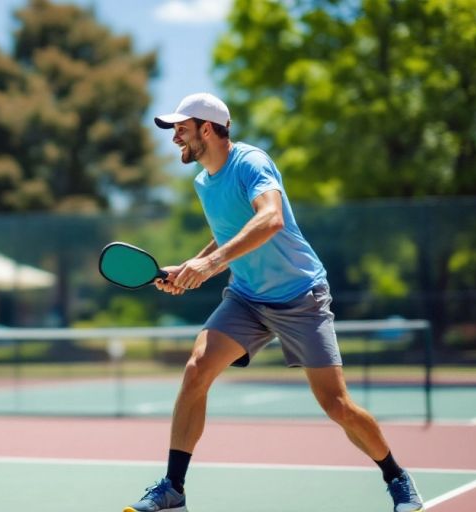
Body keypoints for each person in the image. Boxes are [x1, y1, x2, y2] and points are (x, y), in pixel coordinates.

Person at [122, 93, 424, 512]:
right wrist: (193, 264)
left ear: (206, 129)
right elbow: (232, 231)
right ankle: (173, 487)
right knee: (196, 370)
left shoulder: (250, 163)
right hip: (246, 298)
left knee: (336, 405)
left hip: (301, 296)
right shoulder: (203, 182)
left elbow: (270, 218)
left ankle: (398, 478)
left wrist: (210, 264)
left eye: (181, 128)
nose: (175, 138)